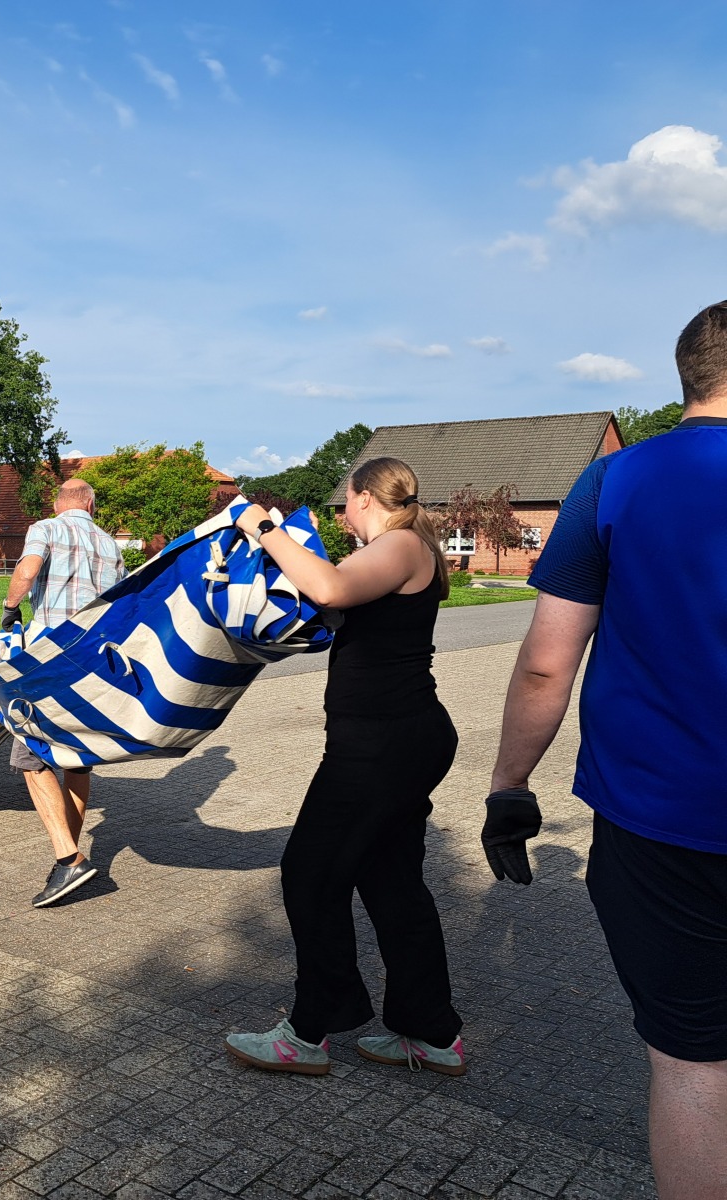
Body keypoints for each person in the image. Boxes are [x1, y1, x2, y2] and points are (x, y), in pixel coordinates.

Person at [481, 302, 727, 1197]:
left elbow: (548, 663)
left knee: (695, 1063)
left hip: (663, 823)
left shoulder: (614, 480)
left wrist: (509, 785)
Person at [224, 459, 466, 1077]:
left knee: (309, 873)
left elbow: (329, 588)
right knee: (391, 882)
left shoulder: (401, 545)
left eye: (345, 503)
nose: (342, 516)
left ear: (363, 497)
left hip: (381, 747)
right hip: (396, 740)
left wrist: (263, 528)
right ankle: (431, 1033)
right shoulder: (398, 549)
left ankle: (310, 1030)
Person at [1, 477, 125, 907]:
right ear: (90, 506)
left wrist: (10, 607)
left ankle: (69, 859)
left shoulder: (46, 528)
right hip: (95, 658)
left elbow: (28, 570)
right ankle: (68, 855)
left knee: (30, 756)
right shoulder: (110, 543)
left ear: (59, 505)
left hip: (51, 656)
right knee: (77, 757)